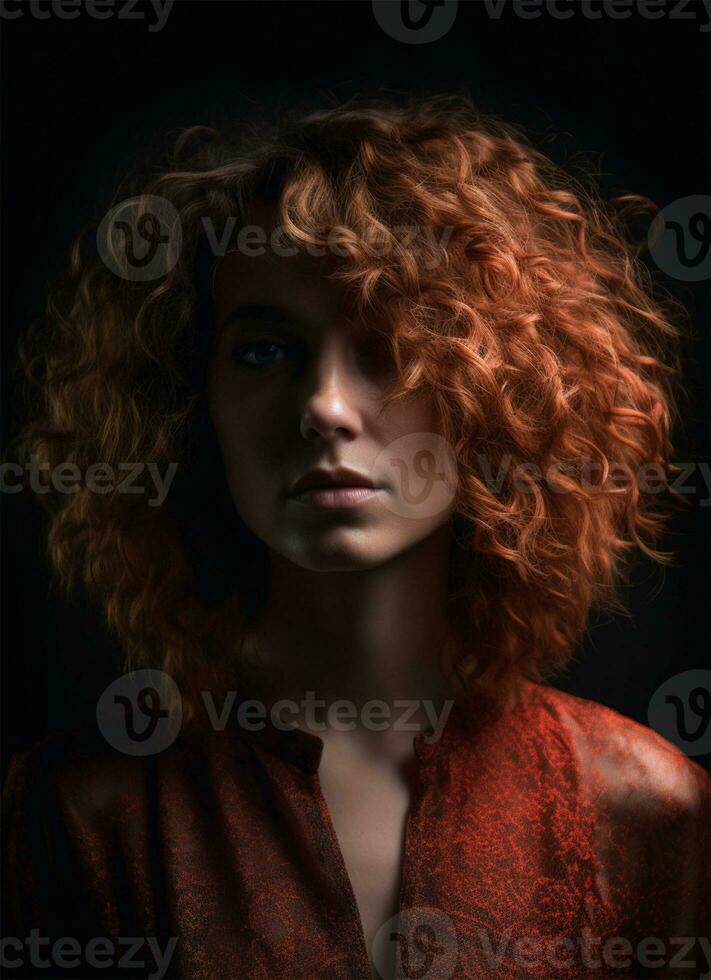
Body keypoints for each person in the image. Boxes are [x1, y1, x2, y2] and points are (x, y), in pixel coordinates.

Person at [2, 92, 709, 980]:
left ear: (497, 397)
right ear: (189, 401)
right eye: (263, 350)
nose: (325, 407)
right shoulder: (87, 811)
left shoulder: (641, 809)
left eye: (386, 346)